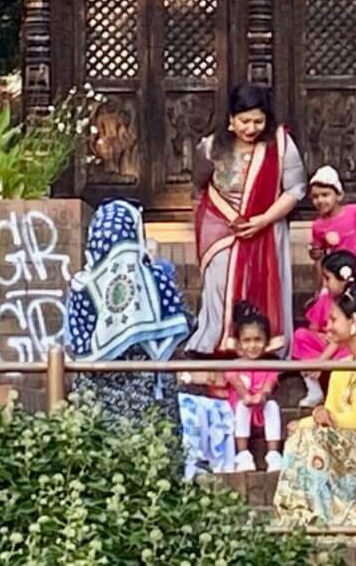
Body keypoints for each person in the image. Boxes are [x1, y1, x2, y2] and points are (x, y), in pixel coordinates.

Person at [269, 287, 356, 539]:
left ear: (354, 320)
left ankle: (311, 527)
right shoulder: (342, 365)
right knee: (300, 436)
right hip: (350, 445)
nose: (328, 326)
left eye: (334, 319)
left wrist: (311, 422)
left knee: (309, 437)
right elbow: (331, 413)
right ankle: (300, 521)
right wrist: (308, 421)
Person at [185, 83, 305, 356]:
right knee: (219, 283)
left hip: (267, 224)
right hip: (220, 227)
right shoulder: (211, 146)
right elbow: (199, 184)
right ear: (231, 119)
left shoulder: (281, 145)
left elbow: (296, 189)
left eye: (258, 121)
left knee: (260, 282)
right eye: (244, 121)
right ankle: (215, 342)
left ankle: (262, 347)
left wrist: (263, 220)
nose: (251, 128)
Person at [64, 200, 191, 430]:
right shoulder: (157, 279)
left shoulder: (81, 286)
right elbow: (185, 320)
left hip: (94, 400)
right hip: (150, 396)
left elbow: (73, 342)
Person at [291, 249, 356, 408]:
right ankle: (314, 389)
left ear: (343, 280)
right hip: (326, 347)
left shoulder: (353, 303)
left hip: (346, 349)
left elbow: (343, 338)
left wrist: (321, 361)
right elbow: (313, 327)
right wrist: (320, 335)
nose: (324, 283)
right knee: (301, 335)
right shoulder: (325, 299)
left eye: (327, 278)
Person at [223, 303, 285, 472]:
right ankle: (243, 454)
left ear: (266, 341)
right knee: (243, 406)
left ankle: (273, 454)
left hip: (260, 406)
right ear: (239, 343)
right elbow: (234, 380)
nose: (252, 345)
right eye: (247, 340)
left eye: (257, 340)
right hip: (240, 407)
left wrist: (262, 396)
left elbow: (269, 384)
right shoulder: (234, 365)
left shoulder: (270, 364)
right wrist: (246, 396)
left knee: (272, 406)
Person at [306, 165, 356, 284]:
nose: (320, 200)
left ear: (339, 195)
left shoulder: (354, 211)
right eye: (315, 197)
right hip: (338, 269)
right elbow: (319, 256)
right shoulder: (318, 226)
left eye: (325, 195)